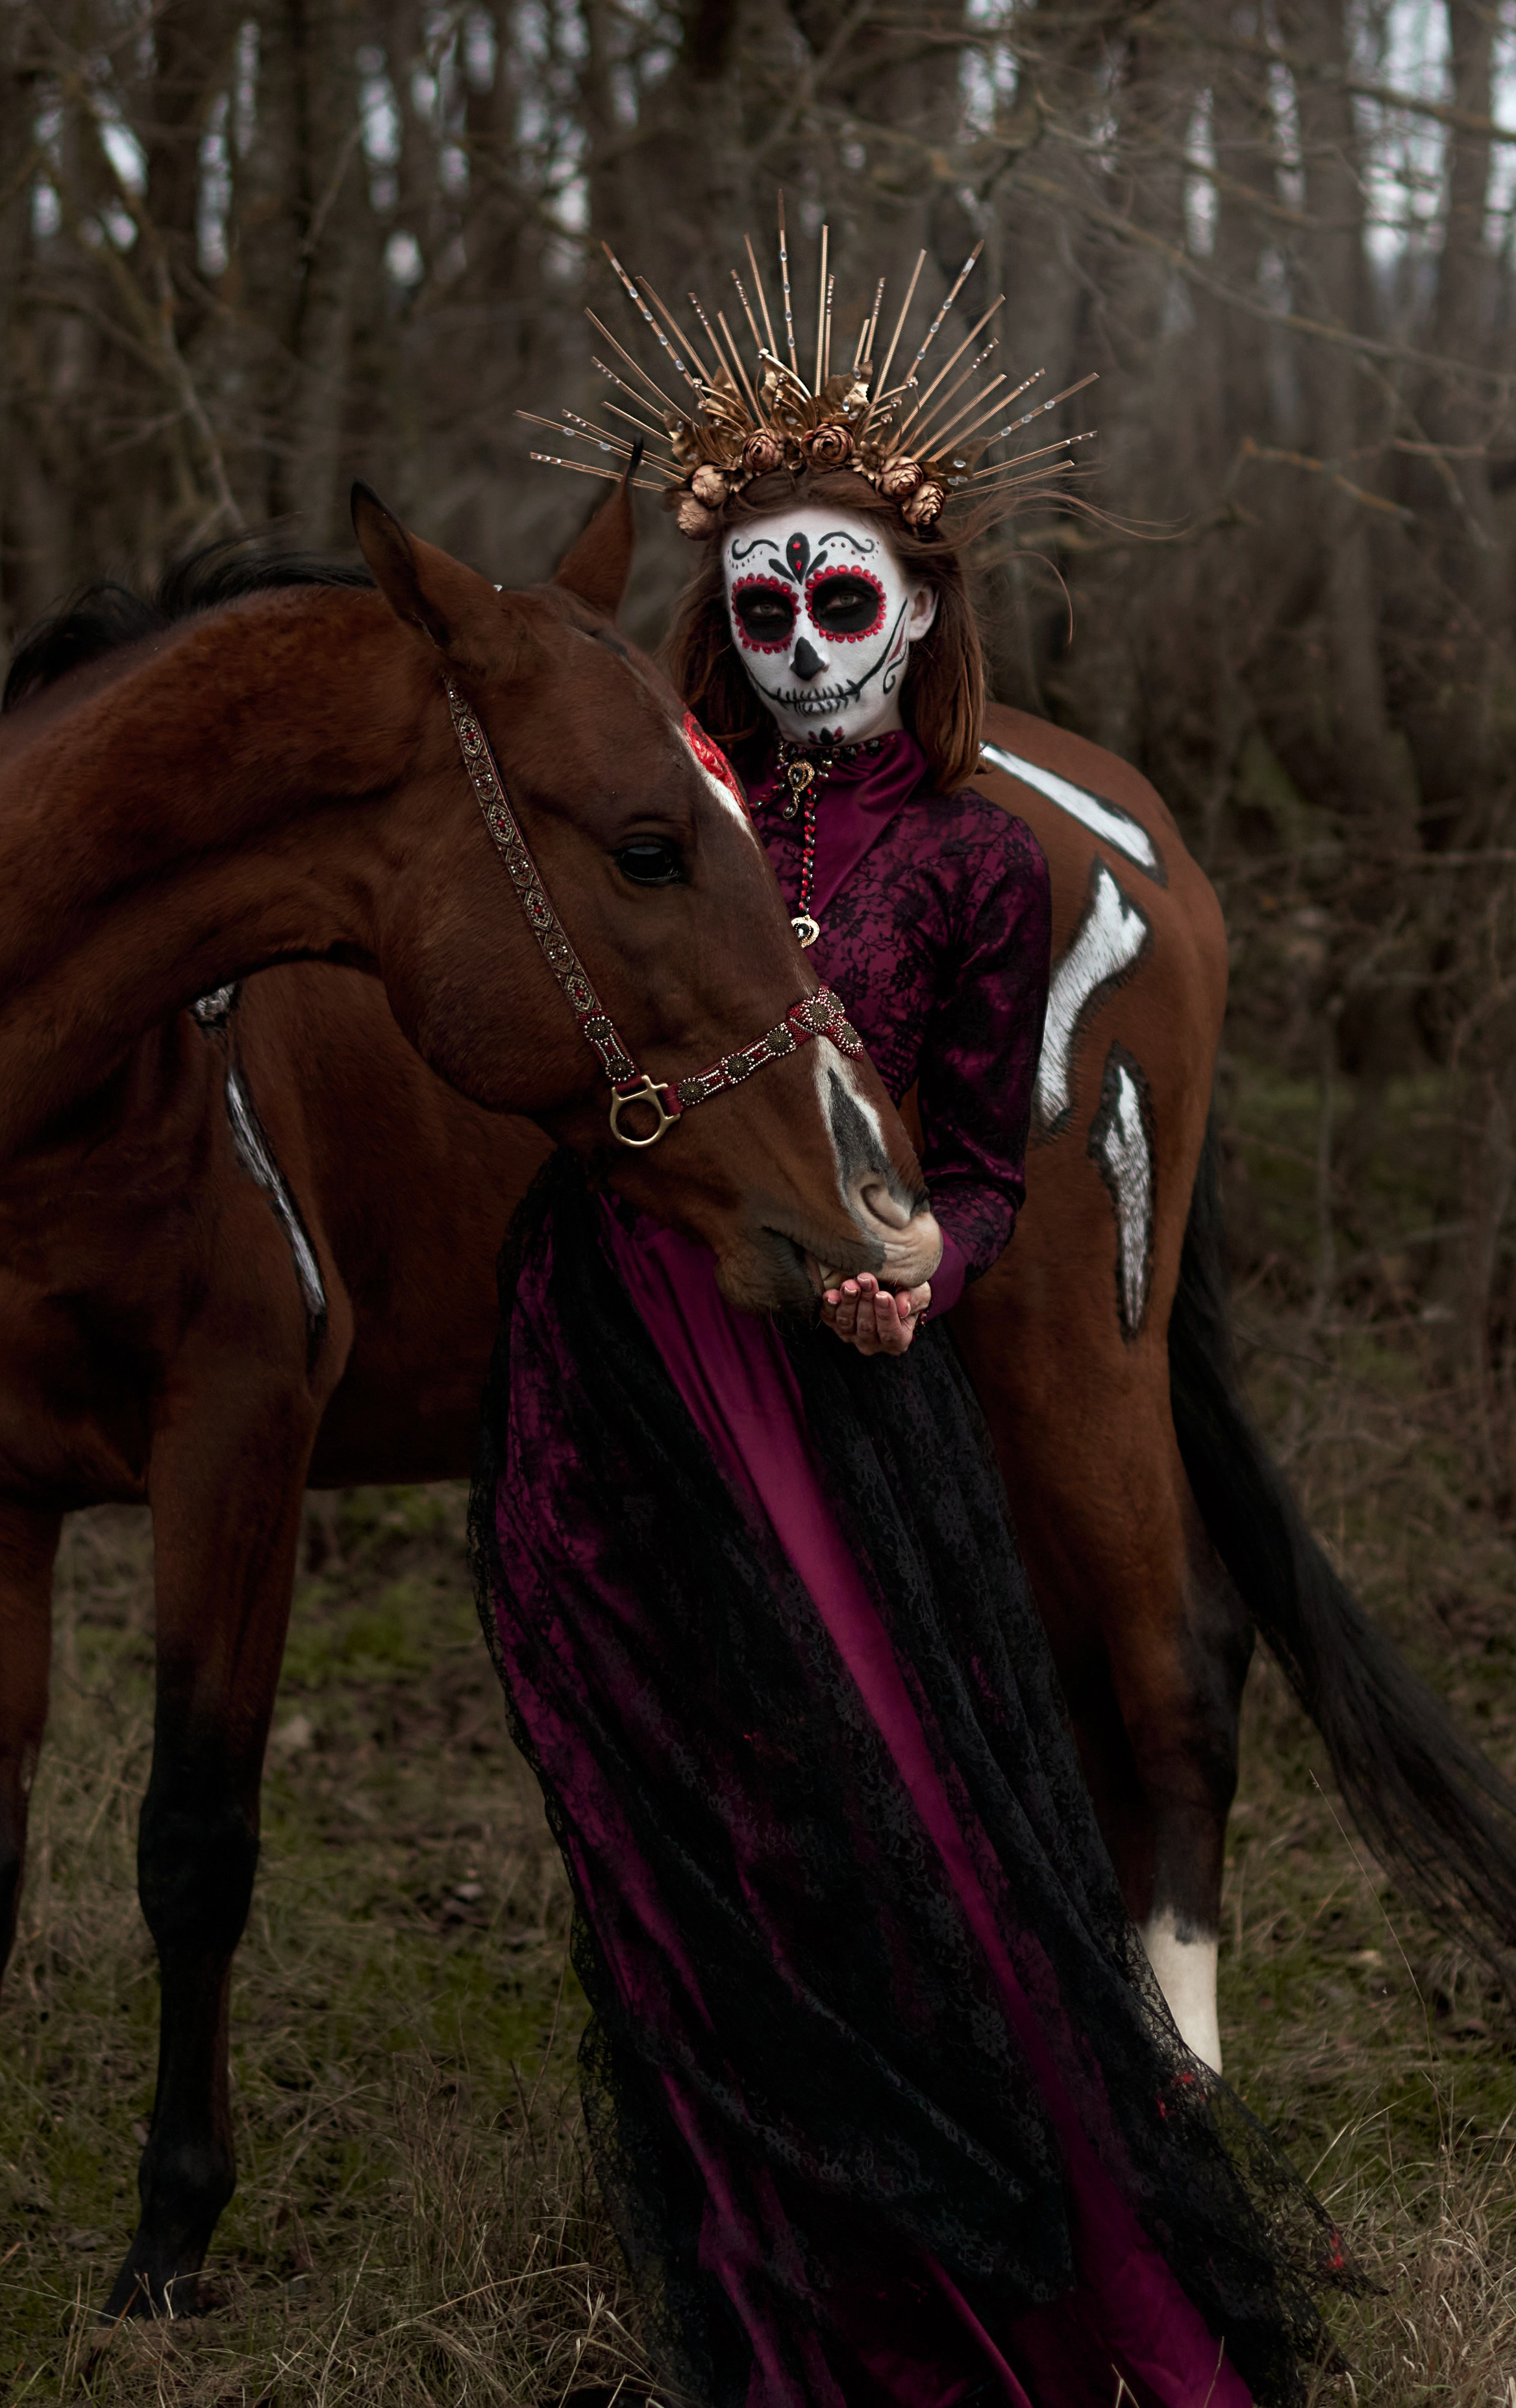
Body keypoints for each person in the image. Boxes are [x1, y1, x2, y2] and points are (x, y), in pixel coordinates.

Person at [475, 226, 1350, 2406]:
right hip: (624, 1359)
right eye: (761, 608)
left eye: (841, 604)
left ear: (925, 611)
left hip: (833, 1380)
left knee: (890, 1790)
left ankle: (953, 2223)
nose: (798, 646)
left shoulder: (970, 862)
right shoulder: (665, 813)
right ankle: (751, 2199)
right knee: (682, 1789)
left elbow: (979, 1172)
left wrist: (924, 1278)